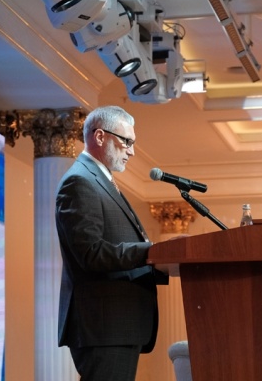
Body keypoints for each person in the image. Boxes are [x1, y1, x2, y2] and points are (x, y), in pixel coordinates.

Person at [55, 105, 168, 380]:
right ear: (100, 136)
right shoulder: (79, 182)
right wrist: (153, 251)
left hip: (116, 325)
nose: (132, 151)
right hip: (104, 327)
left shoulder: (101, 181)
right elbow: (91, 253)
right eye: (127, 141)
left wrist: (164, 261)